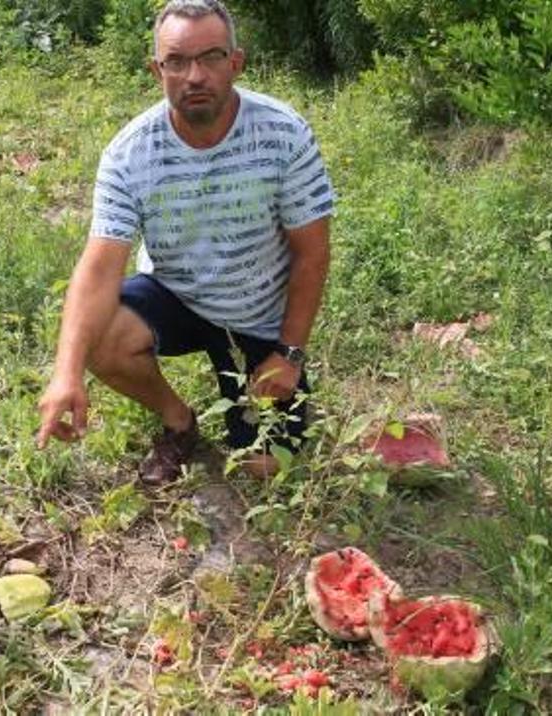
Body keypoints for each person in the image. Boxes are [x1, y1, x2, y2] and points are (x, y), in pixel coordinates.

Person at [36, 0, 334, 483]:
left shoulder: (284, 134)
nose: (195, 75)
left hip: (258, 314)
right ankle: (179, 421)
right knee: (101, 333)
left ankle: (258, 390)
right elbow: (98, 267)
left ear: (235, 63)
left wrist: (289, 355)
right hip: (177, 294)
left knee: (266, 470)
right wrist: (66, 372)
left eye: (211, 57)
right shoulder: (130, 153)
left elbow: (312, 254)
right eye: (176, 61)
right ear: (157, 70)